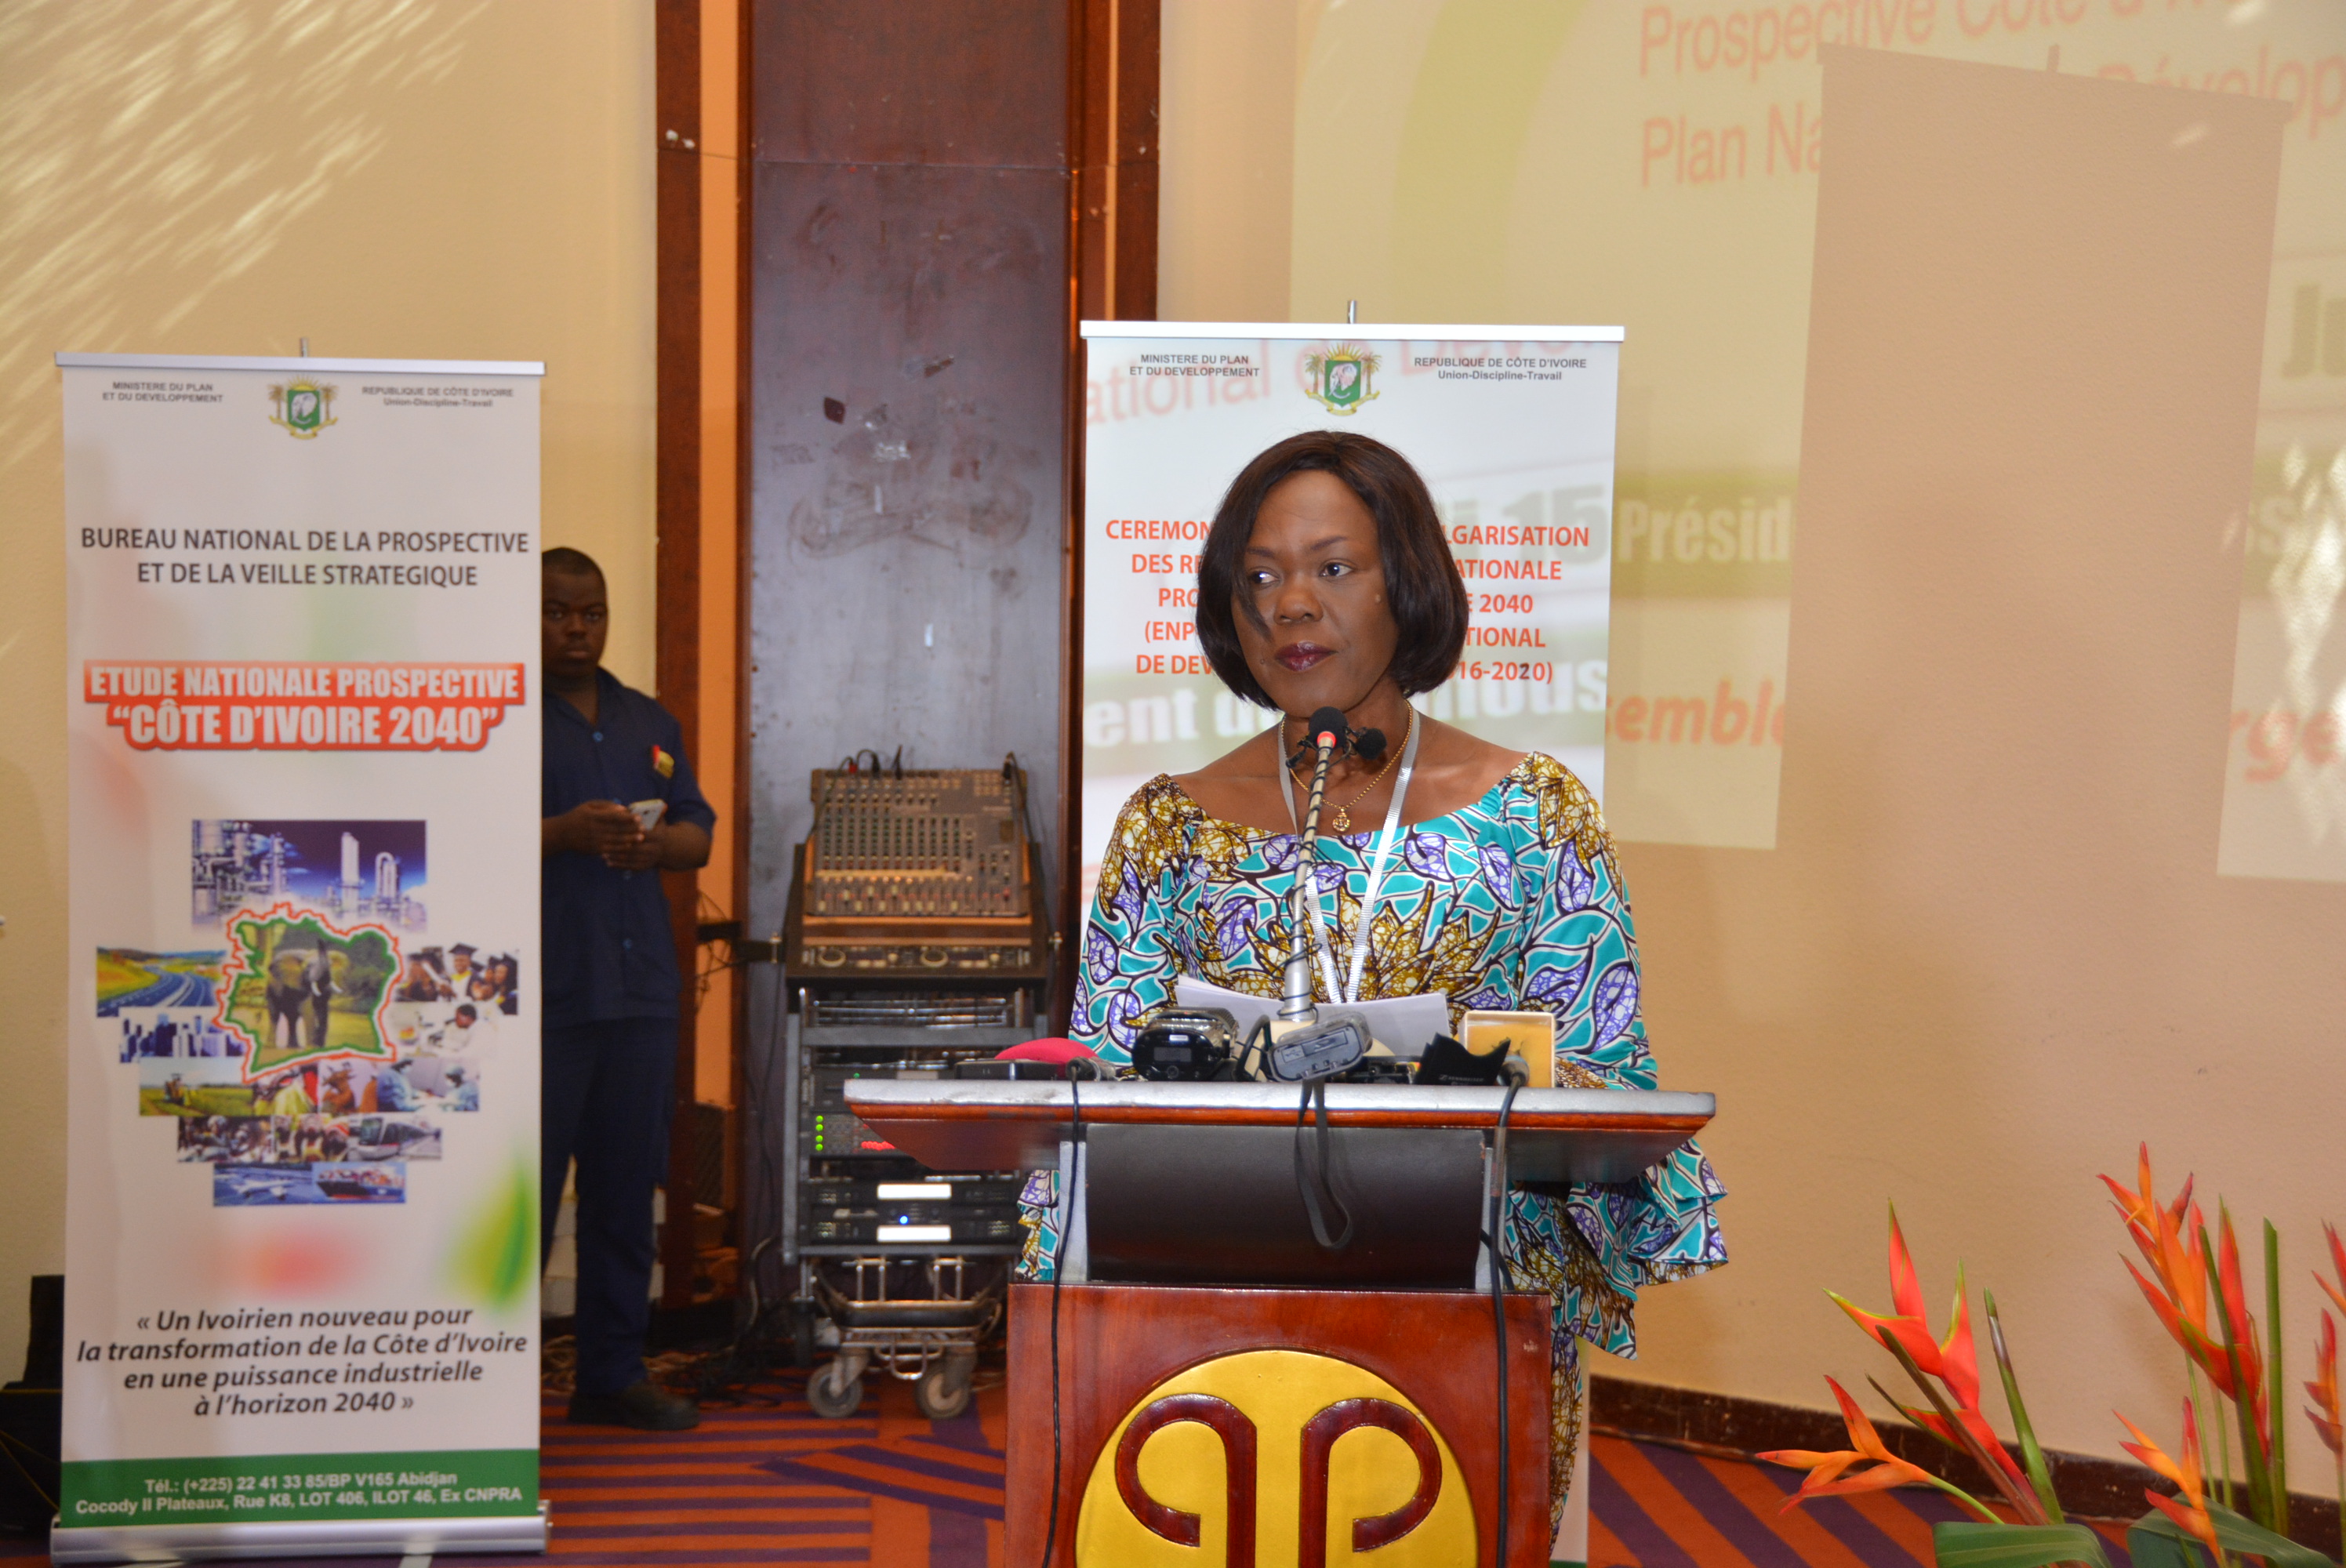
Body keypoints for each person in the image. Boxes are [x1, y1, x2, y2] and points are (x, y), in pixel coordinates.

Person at [1023, 430, 1727, 1532]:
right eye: (1260, 577)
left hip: (1473, 1296)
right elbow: (1106, 1079)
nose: (1292, 604)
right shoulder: (1168, 826)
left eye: (1333, 567)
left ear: (1408, 582)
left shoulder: (1536, 813)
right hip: (1205, 1301)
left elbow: (1605, 1071)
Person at [539, 546, 714, 1432]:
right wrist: (563, 832)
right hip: (545, 997)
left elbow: (697, 832)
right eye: (557, 612)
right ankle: (487, 1392)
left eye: (592, 613)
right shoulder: (499, 717)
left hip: (640, 993)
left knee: (623, 1196)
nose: (577, 629)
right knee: (526, 1199)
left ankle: (609, 1376)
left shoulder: (650, 720)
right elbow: (465, 834)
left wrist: (656, 845)